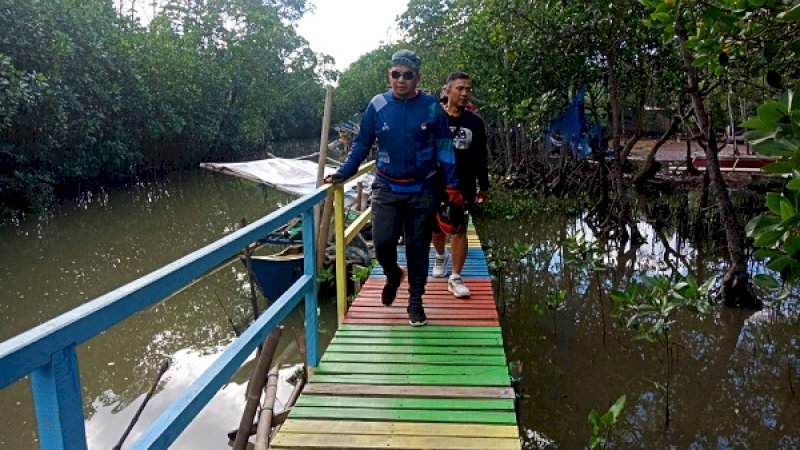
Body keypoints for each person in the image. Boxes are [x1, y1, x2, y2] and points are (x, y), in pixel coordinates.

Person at [324, 49, 462, 326]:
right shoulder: (377, 106)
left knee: (417, 247)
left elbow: (445, 147)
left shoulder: (432, 106)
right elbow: (362, 144)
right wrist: (344, 172)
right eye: (396, 74)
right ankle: (392, 275)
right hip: (387, 186)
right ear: (389, 75)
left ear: (417, 77)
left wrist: (453, 187)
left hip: (423, 188)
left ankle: (415, 301)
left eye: (407, 75)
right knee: (384, 242)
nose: (401, 80)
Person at [431, 71, 489, 298]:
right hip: (435, 183)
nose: (464, 93)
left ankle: (455, 277)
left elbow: (481, 157)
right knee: (436, 229)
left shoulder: (475, 123)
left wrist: (483, 186)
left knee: (459, 229)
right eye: (459, 89)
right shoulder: (435, 119)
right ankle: (439, 255)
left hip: (463, 185)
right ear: (447, 91)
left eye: (468, 89)